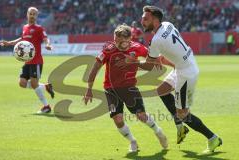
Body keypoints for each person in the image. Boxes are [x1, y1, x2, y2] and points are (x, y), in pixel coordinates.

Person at [121, 5, 222, 154]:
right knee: (162, 90)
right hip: (185, 65)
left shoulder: (156, 40)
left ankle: (213, 138)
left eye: (146, 19)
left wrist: (132, 63)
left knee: (183, 114)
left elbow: (149, 66)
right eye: (142, 19)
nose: (142, 22)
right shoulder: (168, 25)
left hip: (185, 74)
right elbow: (163, 56)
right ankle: (180, 126)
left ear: (155, 20)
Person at [83, 24, 168, 152]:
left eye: (119, 41)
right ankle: (132, 141)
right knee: (117, 120)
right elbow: (95, 68)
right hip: (111, 89)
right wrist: (89, 89)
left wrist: (152, 60)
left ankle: (158, 132)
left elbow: (150, 63)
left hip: (129, 88)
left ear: (128, 40)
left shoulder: (137, 47)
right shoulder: (108, 50)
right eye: (115, 40)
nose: (116, 43)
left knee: (141, 116)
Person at [0, 7, 54, 113]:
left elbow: (46, 38)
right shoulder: (25, 27)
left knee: (33, 84)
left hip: (36, 61)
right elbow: (22, 39)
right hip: (27, 62)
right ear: (27, 15)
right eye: (30, 13)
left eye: (34, 14)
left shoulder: (39, 28)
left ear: (37, 16)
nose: (32, 16)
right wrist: (9, 43)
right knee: (22, 83)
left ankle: (46, 106)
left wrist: (47, 44)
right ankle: (45, 86)